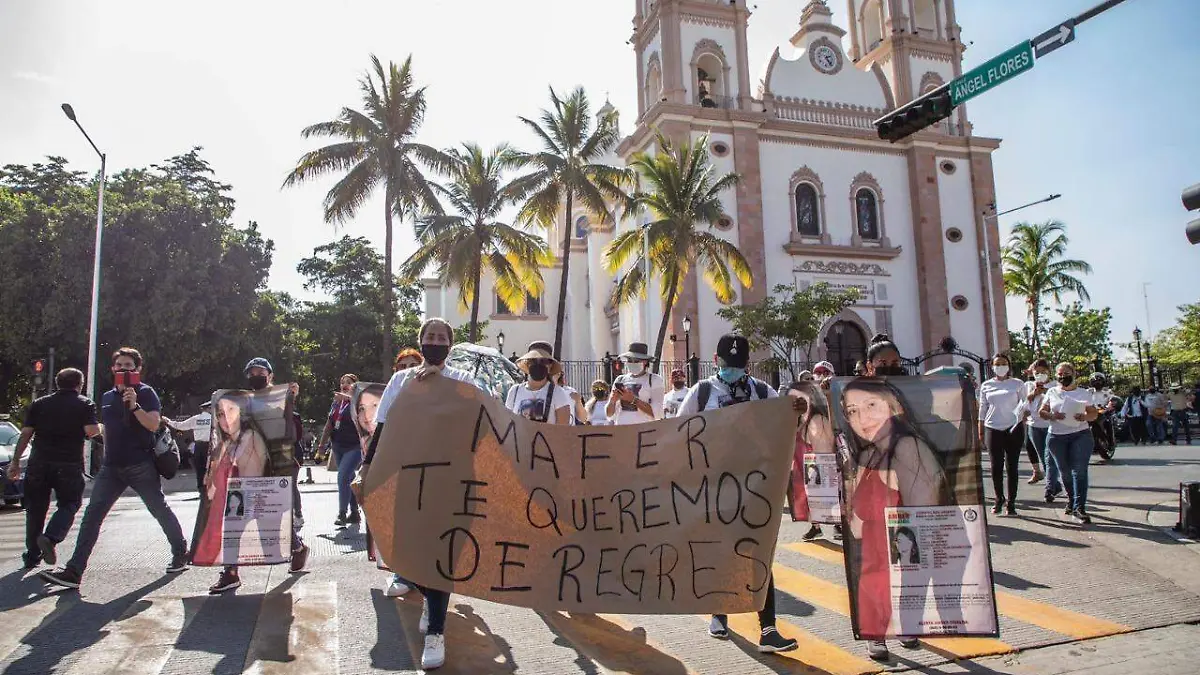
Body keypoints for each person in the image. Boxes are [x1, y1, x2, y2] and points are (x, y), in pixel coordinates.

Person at [359, 318, 487, 670]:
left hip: (450, 478)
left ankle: (435, 630)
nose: (435, 341)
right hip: (408, 477)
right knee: (408, 548)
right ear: (420, 341)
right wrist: (366, 469)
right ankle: (430, 600)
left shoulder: (463, 380)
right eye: (429, 336)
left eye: (441, 337)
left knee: (442, 553)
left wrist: (444, 390)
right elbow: (383, 427)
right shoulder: (401, 380)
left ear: (450, 343)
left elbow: (481, 418)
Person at [676, 333, 800, 654]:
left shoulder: (761, 391)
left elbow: (785, 421)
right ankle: (719, 614)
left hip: (754, 488)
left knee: (759, 555)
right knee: (720, 551)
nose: (732, 369)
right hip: (714, 488)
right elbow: (678, 433)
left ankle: (768, 628)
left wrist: (798, 408)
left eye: (739, 364)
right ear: (716, 361)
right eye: (727, 364)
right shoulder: (701, 392)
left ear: (747, 364)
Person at [41, 348, 189, 589]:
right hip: (111, 467)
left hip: (140, 464)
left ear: (138, 369)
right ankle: (74, 571)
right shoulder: (108, 396)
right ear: (113, 369)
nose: (124, 369)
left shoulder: (146, 393)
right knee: (92, 516)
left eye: (129, 365)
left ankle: (180, 551)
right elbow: (108, 429)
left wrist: (134, 406)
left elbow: (153, 424)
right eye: (120, 365)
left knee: (158, 509)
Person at [840, 374, 948, 660]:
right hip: (876, 545)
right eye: (852, 411)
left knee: (904, 579)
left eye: (871, 405)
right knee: (878, 582)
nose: (862, 417)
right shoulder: (872, 450)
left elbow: (923, 512)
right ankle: (884, 631)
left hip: (899, 541)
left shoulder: (907, 447)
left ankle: (901, 627)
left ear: (893, 406)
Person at [204, 359, 309, 594]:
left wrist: (289, 402)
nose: (255, 376)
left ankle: (297, 547)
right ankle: (230, 573)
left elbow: (291, 436)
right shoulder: (242, 405)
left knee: (269, 523)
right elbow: (226, 437)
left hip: (270, 477)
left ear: (270, 376)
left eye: (260, 372)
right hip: (242, 477)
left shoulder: (281, 403)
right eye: (251, 373)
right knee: (234, 525)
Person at [9, 368, 102, 569]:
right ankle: (50, 537)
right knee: (70, 503)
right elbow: (91, 431)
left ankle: (32, 555)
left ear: (57, 383)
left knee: (35, 510)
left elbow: (25, 434)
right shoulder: (84, 404)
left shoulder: (39, 404)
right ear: (80, 384)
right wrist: (101, 428)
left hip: (38, 463)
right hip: (68, 464)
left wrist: (16, 462)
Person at [382, 346, 422, 598]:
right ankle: (403, 574)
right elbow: (381, 423)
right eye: (402, 366)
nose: (407, 370)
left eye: (413, 365)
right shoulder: (394, 388)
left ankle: (427, 576)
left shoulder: (436, 390)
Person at [1040, 362, 1100, 525]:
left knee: (1079, 471)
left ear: (1074, 374)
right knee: (1064, 471)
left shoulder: (1084, 393)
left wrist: (1085, 417)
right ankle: (1071, 500)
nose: (1062, 376)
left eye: (1066, 373)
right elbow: (1042, 412)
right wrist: (1052, 415)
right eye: (1059, 374)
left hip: (1080, 434)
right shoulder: (1052, 392)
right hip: (1056, 437)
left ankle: (1079, 508)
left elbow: (1093, 414)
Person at [784, 382, 840, 542]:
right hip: (805, 470)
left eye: (802, 398)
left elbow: (825, 455)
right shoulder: (798, 420)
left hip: (816, 471)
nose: (797, 402)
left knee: (823, 497)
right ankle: (816, 526)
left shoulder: (816, 421)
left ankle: (836, 524)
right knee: (808, 498)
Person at [978, 354, 1024, 516]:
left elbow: (1024, 405)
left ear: (1009, 366)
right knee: (996, 466)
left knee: (1012, 467)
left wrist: (1019, 419)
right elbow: (983, 408)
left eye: (1004, 363)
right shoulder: (986, 385)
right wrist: (981, 429)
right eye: (998, 364)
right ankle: (999, 499)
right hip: (992, 428)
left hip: (1013, 429)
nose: (1001, 366)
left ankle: (1011, 503)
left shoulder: (1017, 384)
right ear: (992, 367)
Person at [317, 373, 364, 527]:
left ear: (355, 386)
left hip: (355, 446)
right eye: (342, 382)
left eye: (349, 382)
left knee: (342, 476)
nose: (344, 384)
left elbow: (364, 416)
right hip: (338, 446)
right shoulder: (337, 403)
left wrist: (349, 399)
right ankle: (355, 513)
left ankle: (342, 513)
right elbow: (329, 426)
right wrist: (321, 448)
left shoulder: (358, 402)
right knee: (348, 478)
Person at [1020, 360, 1061, 502]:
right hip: (1034, 425)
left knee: (1050, 457)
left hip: (1051, 426)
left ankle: (1051, 488)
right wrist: (1033, 394)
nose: (1040, 375)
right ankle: (1054, 485)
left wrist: (1045, 391)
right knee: (1043, 457)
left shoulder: (1055, 385)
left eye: (1043, 372)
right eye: (1037, 373)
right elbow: (1023, 406)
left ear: (1049, 372)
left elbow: (1060, 403)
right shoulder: (1028, 386)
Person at [506, 346, 573, 424]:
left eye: (543, 361)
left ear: (550, 366)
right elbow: (506, 423)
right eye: (533, 361)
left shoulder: (558, 393)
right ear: (527, 364)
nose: (538, 365)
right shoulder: (514, 392)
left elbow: (563, 430)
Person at [607, 342, 664, 424]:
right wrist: (612, 401)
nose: (632, 363)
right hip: (621, 430)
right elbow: (609, 414)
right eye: (629, 360)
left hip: (643, 431)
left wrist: (633, 400)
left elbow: (658, 414)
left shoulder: (655, 380)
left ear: (645, 362)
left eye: (636, 360)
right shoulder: (620, 379)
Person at [166, 401, 213, 493]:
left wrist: (168, 421)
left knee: (200, 470)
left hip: (199, 447)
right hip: (211, 446)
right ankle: (211, 489)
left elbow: (180, 426)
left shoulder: (196, 419)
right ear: (209, 408)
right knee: (212, 469)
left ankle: (201, 490)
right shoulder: (214, 419)